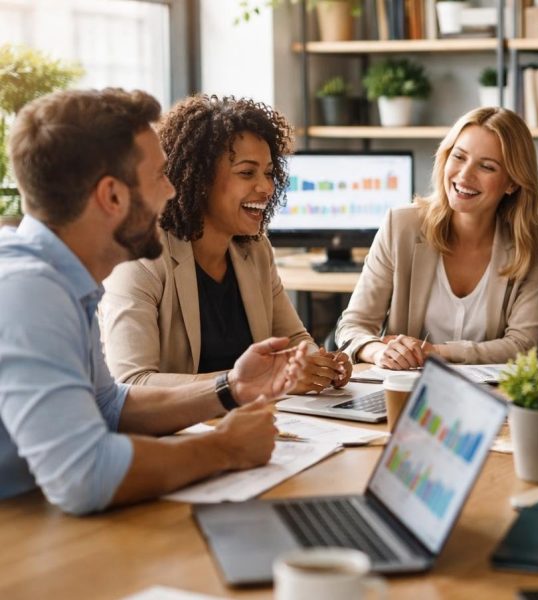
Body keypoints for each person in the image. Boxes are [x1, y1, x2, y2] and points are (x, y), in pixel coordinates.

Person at [0, 88, 314, 514]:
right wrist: (225, 448)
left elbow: (109, 405)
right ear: (112, 196)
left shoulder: (62, 281)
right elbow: (84, 475)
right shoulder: (30, 292)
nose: (172, 191)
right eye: (160, 176)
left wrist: (232, 388)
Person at [99, 95, 349, 394]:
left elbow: (295, 340)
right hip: (184, 423)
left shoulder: (255, 250)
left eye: (269, 173)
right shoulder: (141, 258)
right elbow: (131, 383)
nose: (266, 187)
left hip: (255, 418)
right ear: (199, 179)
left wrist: (320, 364)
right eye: (246, 173)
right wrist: (249, 383)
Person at [335, 107, 538, 369]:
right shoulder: (401, 226)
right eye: (459, 156)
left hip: (489, 390)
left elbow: (524, 344)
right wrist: (378, 351)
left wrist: (436, 352)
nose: (464, 175)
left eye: (487, 166)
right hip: (405, 386)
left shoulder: (537, 240)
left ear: (512, 183)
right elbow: (353, 326)